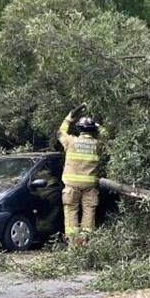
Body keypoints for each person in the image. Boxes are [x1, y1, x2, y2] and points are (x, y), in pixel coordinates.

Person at [58, 103, 106, 244]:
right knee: (89, 211)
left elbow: (60, 132)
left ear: (79, 129)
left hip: (71, 185)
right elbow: (106, 135)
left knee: (71, 211)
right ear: (92, 131)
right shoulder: (98, 145)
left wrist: (69, 118)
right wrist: (97, 125)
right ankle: (85, 241)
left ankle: (73, 242)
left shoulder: (71, 141)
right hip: (89, 185)